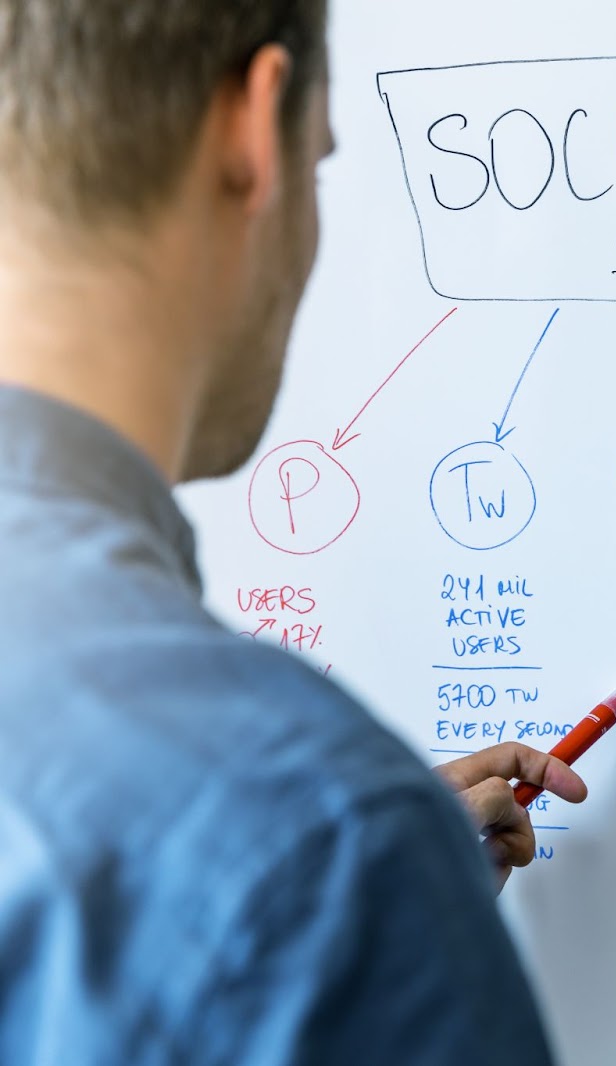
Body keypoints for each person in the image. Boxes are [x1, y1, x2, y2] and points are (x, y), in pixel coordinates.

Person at [0, 3, 583, 1063]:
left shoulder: (320, 843)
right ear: (255, 132)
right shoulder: (326, 844)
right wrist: (371, 909)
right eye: (320, 161)